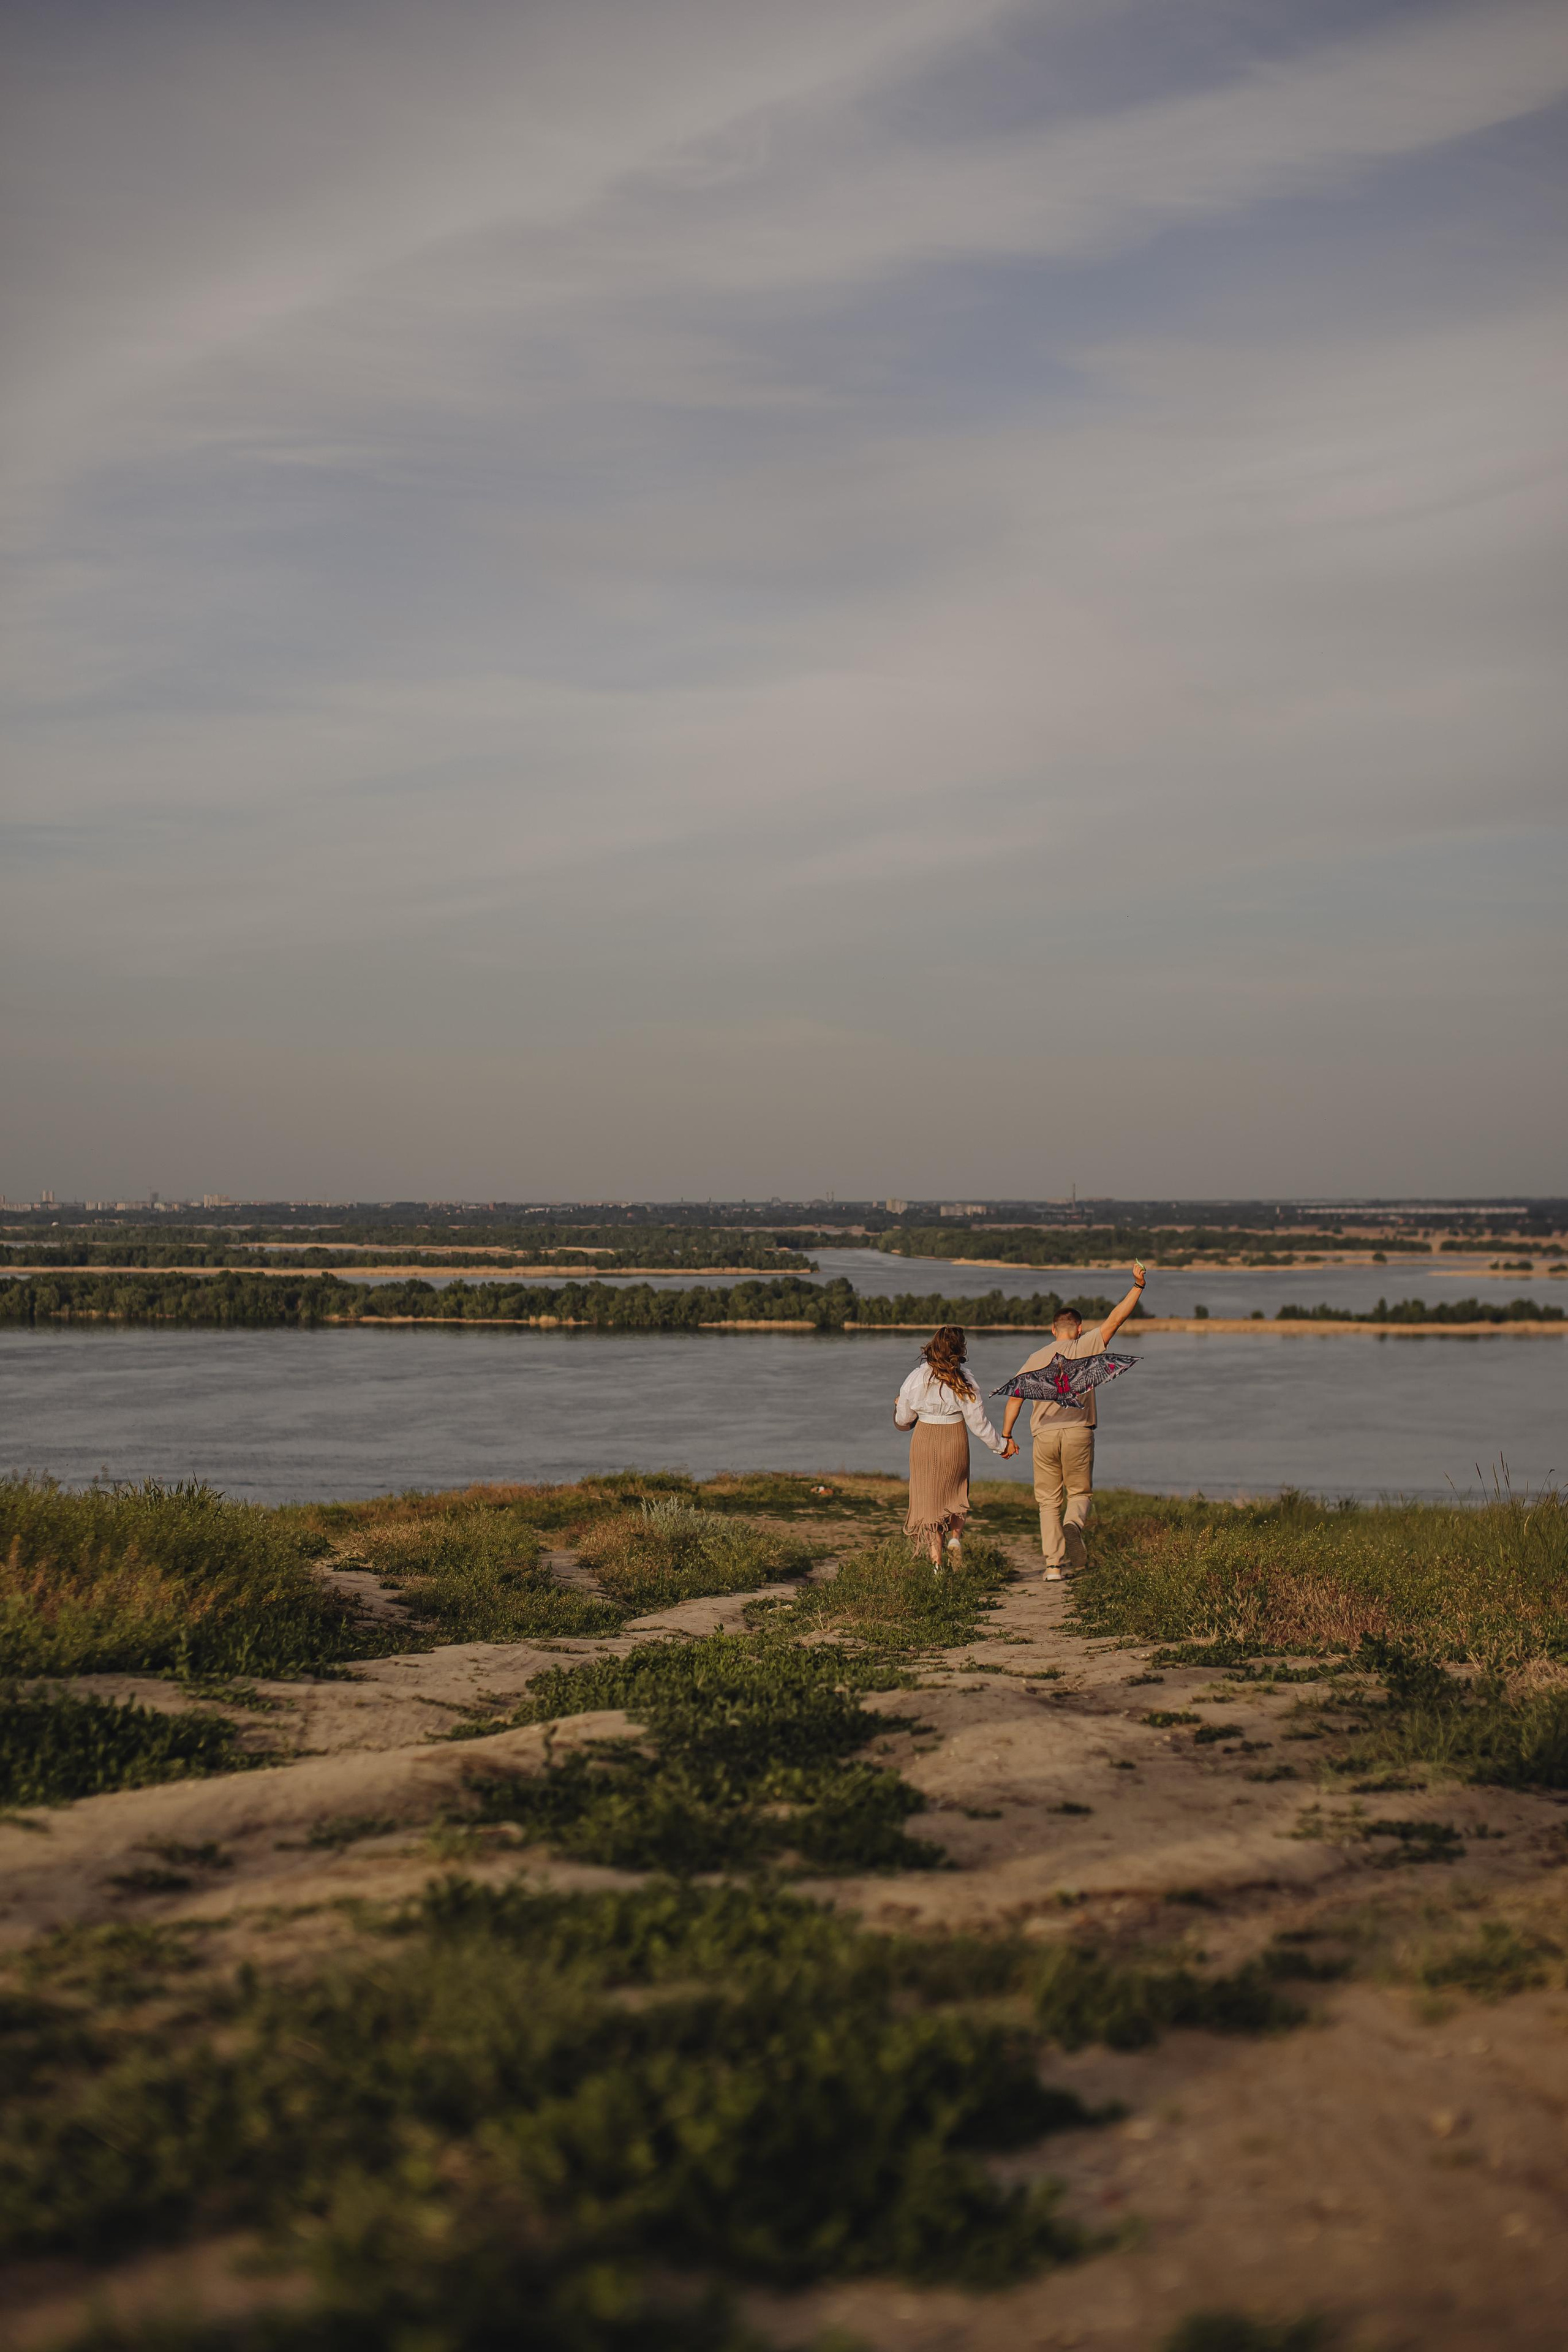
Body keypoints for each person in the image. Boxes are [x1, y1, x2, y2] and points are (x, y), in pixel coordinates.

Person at [1000, 1262, 1147, 1582]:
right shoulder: (1087, 1346)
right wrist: (1138, 1286)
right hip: (1079, 1431)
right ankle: (1075, 1525)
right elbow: (1117, 1318)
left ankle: (1053, 1567)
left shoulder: (1035, 1358)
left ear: (1053, 1331)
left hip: (1044, 1437)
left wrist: (1006, 1436)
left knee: (1047, 1502)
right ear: (1079, 1329)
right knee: (1079, 1494)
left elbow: (1015, 1398)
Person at [894, 1324, 1017, 1567]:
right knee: (956, 1492)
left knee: (930, 1501)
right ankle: (955, 1539)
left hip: (924, 1439)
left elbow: (903, 1420)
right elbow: (979, 1424)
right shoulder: (965, 1379)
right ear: (959, 1349)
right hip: (955, 1438)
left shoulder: (916, 1378)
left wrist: (898, 1404)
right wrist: (1002, 1446)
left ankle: (937, 1563)